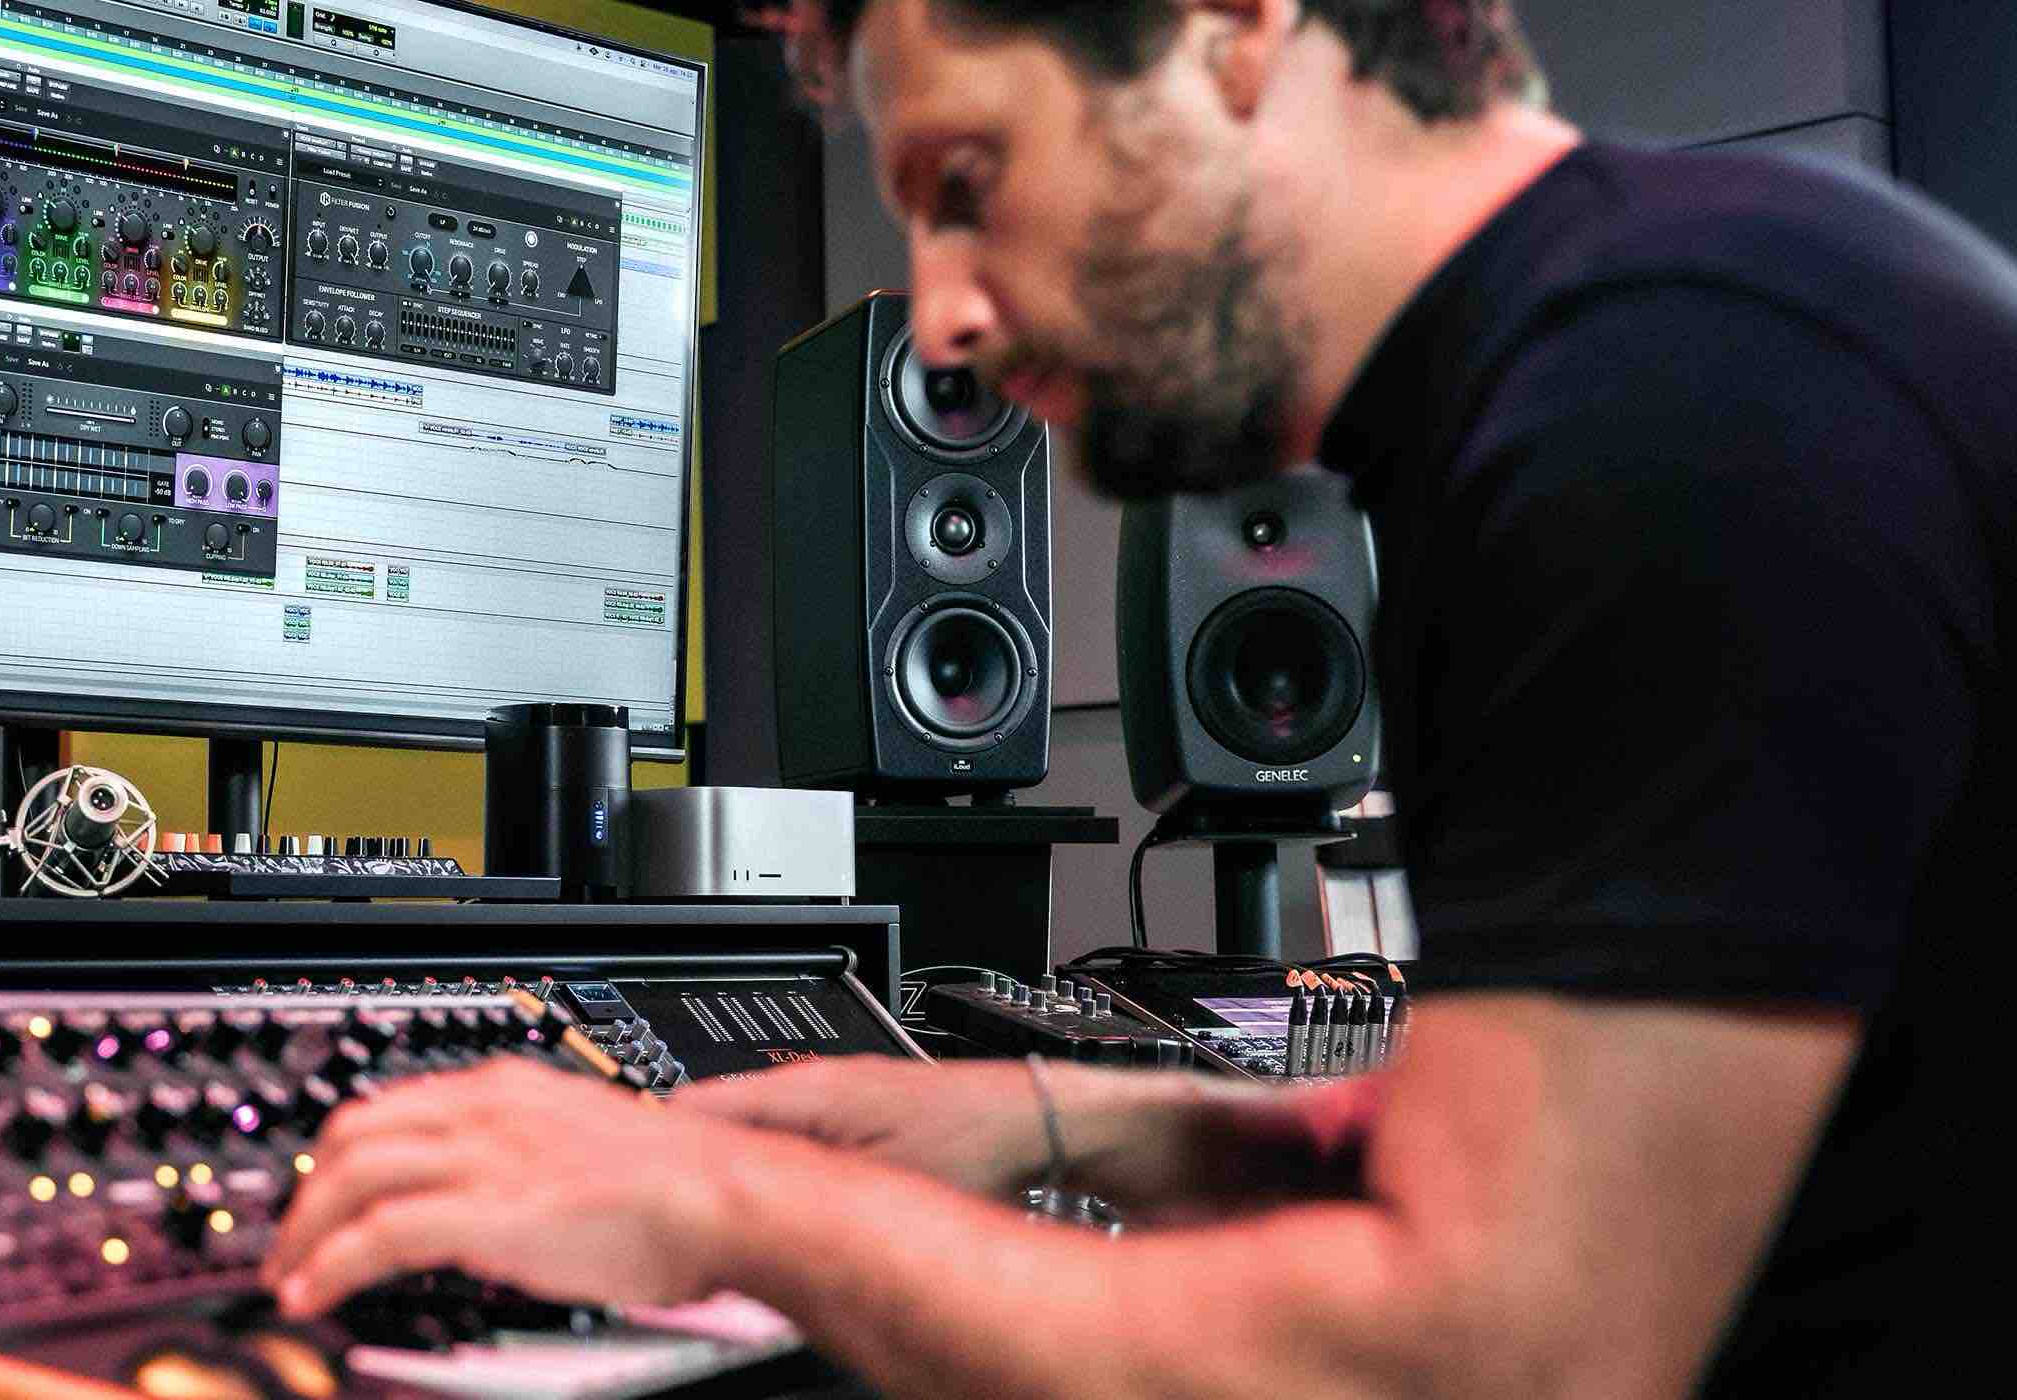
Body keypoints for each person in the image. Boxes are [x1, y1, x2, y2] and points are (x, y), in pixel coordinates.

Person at [260, 0, 2014, 1393]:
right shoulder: (1658, 331)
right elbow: (1562, 1164)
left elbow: (1484, 1357)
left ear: (1230, 30)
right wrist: (1056, 1120)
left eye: (964, 181)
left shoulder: (1673, 405)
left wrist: (741, 1208)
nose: (940, 319)